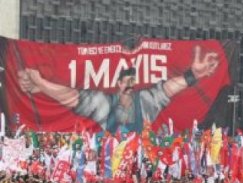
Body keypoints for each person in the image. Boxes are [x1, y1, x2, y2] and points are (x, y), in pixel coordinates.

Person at [17, 46, 220, 133]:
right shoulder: (105, 104)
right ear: (119, 85)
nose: (129, 88)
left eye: (133, 83)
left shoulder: (145, 102)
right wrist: (43, 85)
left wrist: (193, 75)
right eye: (126, 83)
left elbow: (166, 89)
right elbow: (72, 97)